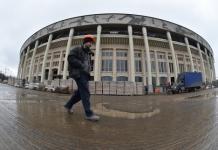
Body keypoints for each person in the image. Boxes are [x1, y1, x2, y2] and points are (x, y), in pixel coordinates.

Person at [64, 34, 100, 121]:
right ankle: (89, 114)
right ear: (85, 42)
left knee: (80, 94)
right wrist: (81, 65)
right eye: (89, 43)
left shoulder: (88, 53)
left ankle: (68, 105)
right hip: (79, 73)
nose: (90, 44)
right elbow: (70, 58)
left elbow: (87, 64)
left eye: (91, 43)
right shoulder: (77, 49)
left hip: (85, 74)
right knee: (85, 93)